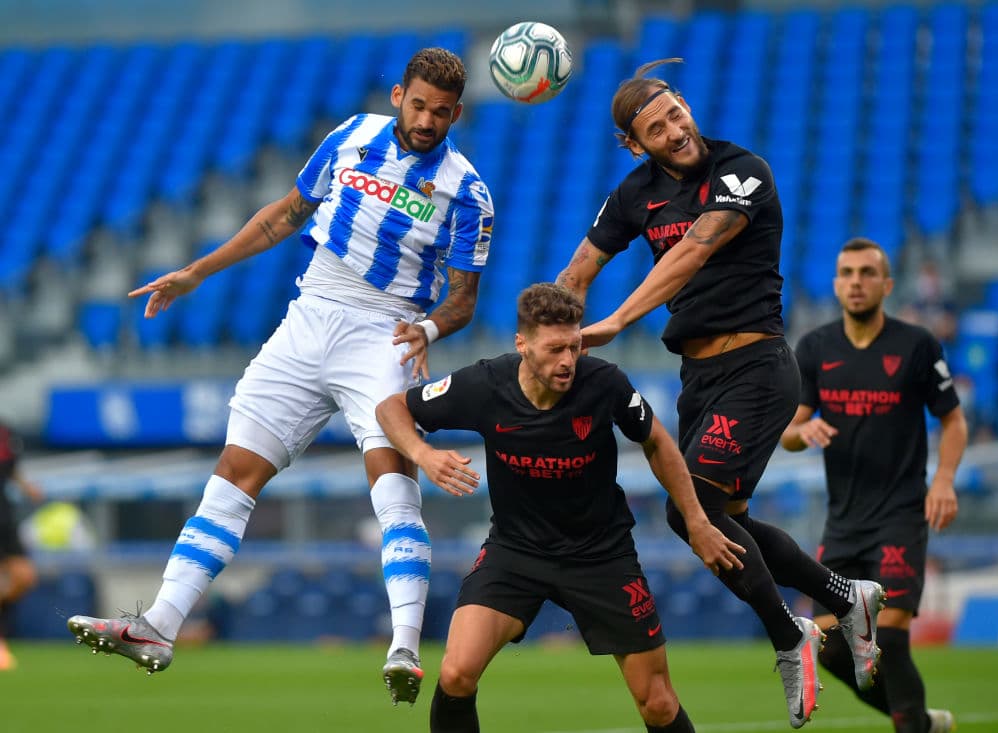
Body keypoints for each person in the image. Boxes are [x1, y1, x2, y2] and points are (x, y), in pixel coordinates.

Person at [66, 47, 494, 706]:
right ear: (397, 96)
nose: (428, 120)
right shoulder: (350, 136)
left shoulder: (468, 191)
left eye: (441, 112)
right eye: (418, 105)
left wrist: (429, 330)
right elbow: (283, 214)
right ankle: (159, 625)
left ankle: (405, 643)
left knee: (392, 484)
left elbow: (464, 297)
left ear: (456, 113)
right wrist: (196, 271)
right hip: (308, 317)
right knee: (236, 470)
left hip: (385, 333)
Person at [555, 58, 884, 728]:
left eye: (676, 113)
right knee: (716, 515)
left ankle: (790, 636)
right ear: (635, 143)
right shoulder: (632, 194)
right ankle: (847, 597)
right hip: (697, 379)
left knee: (691, 510)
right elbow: (579, 268)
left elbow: (693, 251)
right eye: (656, 128)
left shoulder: (742, 170)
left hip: (758, 366)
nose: (675, 131)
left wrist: (619, 318)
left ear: (684, 104)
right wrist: (549, 336)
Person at [376, 283, 745, 733]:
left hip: (602, 556)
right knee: (455, 673)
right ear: (522, 344)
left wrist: (698, 521)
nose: (568, 360)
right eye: (554, 349)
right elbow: (391, 408)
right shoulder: (484, 384)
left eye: (574, 346)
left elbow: (657, 442)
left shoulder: (604, 383)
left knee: (658, 704)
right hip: (516, 553)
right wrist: (424, 454)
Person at [781, 238, 966, 733]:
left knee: (891, 637)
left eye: (867, 272)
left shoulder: (917, 346)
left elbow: (953, 421)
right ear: (837, 283)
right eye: (847, 273)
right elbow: (789, 432)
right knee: (834, 649)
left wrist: (944, 479)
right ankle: (921, 722)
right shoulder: (816, 348)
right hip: (843, 523)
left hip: (900, 516)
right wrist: (802, 431)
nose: (856, 281)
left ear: (886, 284)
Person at [0, 420, 44, 671]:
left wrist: (26, 487)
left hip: (4, 515)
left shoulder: (6, 431)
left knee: (24, 576)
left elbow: (11, 468)